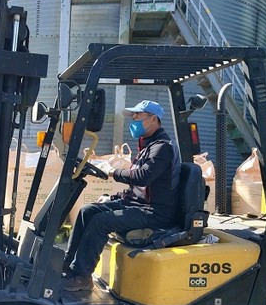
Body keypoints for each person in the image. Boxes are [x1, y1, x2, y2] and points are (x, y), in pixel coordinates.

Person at [62, 100, 181, 291]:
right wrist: (113, 198)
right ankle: (67, 267)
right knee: (87, 211)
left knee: (101, 221)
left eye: (138, 117)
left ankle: (82, 276)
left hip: (154, 213)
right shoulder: (147, 147)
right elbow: (137, 188)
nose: (133, 121)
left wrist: (113, 172)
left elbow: (143, 177)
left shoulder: (162, 147)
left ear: (153, 119)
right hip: (137, 206)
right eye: (133, 117)